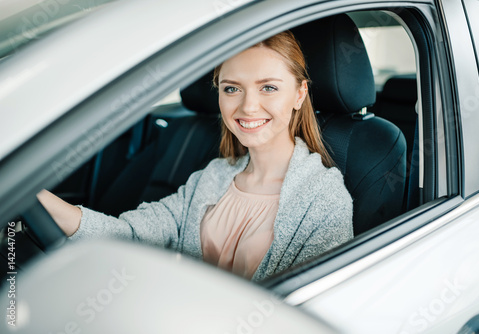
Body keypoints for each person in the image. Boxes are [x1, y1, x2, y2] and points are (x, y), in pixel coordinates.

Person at [37, 30, 353, 282]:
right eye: (232, 89)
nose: (248, 106)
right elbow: (131, 234)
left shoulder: (324, 198)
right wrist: (35, 199)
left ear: (299, 94)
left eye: (268, 87)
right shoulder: (212, 176)